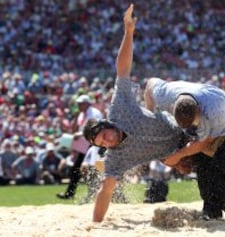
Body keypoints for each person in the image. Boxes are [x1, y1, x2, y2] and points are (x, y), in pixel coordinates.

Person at [82, 4, 185, 222]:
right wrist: (95, 225)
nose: (108, 142)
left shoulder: (119, 108)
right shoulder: (115, 158)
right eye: (103, 144)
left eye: (105, 135)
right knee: (183, 166)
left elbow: (123, 70)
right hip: (176, 153)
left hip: (179, 123)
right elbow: (106, 190)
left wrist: (128, 33)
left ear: (107, 124)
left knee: (175, 99)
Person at [143, 77, 225, 220]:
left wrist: (178, 156)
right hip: (206, 135)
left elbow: (204, 144)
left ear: (199, 110)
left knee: (218, 171)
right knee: (205, 182)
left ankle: (213, 214)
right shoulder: (165, 94)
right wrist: (150, 116)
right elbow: (150, 84)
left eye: (193, 123)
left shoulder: (214, 110)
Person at [57, 94, 103, 199]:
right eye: (78, 103)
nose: (79, 105)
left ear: (87, 103)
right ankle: (71, 193)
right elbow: (79, 129)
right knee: (78, 168)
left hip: (94, 144)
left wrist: (81, 134)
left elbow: (96, 127)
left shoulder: (95, 113)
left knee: (92, 168)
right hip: (84, 145)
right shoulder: (82, 115)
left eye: (81, 103)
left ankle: (90, 192)